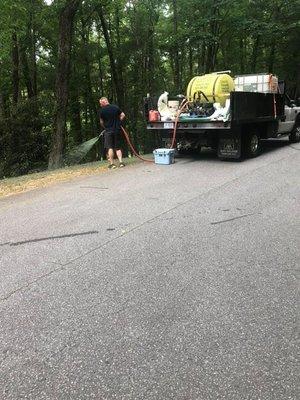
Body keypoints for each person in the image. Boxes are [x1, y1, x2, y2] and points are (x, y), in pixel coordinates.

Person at [98, 97, 126, 169]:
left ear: (104, 102)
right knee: (118, 147)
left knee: (110, 147)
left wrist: (105, 127)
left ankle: (112, 164)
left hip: (108, 131)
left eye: (101, 103)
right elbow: (123, 115)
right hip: (117, 130)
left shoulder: (102, 111)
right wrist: (118, 122)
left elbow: (101, 122)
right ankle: (121, 162)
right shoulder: (115, 107)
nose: (100, 105)